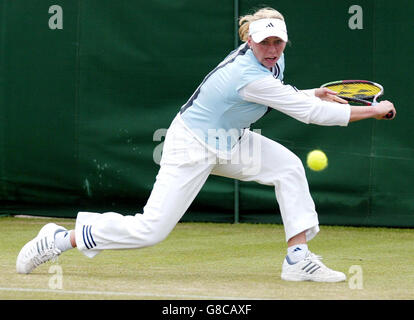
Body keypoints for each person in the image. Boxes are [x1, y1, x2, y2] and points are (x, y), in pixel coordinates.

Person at [16, 7, 396, 282]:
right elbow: (309, 114)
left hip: (229, 140)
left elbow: (281, 94)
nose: (272, 48)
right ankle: (59, 238)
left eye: (278, 41)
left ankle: (297, 257)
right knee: (151, 230)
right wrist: (375, 111)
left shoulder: (267, 63)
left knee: (289, 168)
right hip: (192, 144)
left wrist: (313, 92)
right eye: (265, 41)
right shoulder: (248, 73)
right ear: (250, 39)